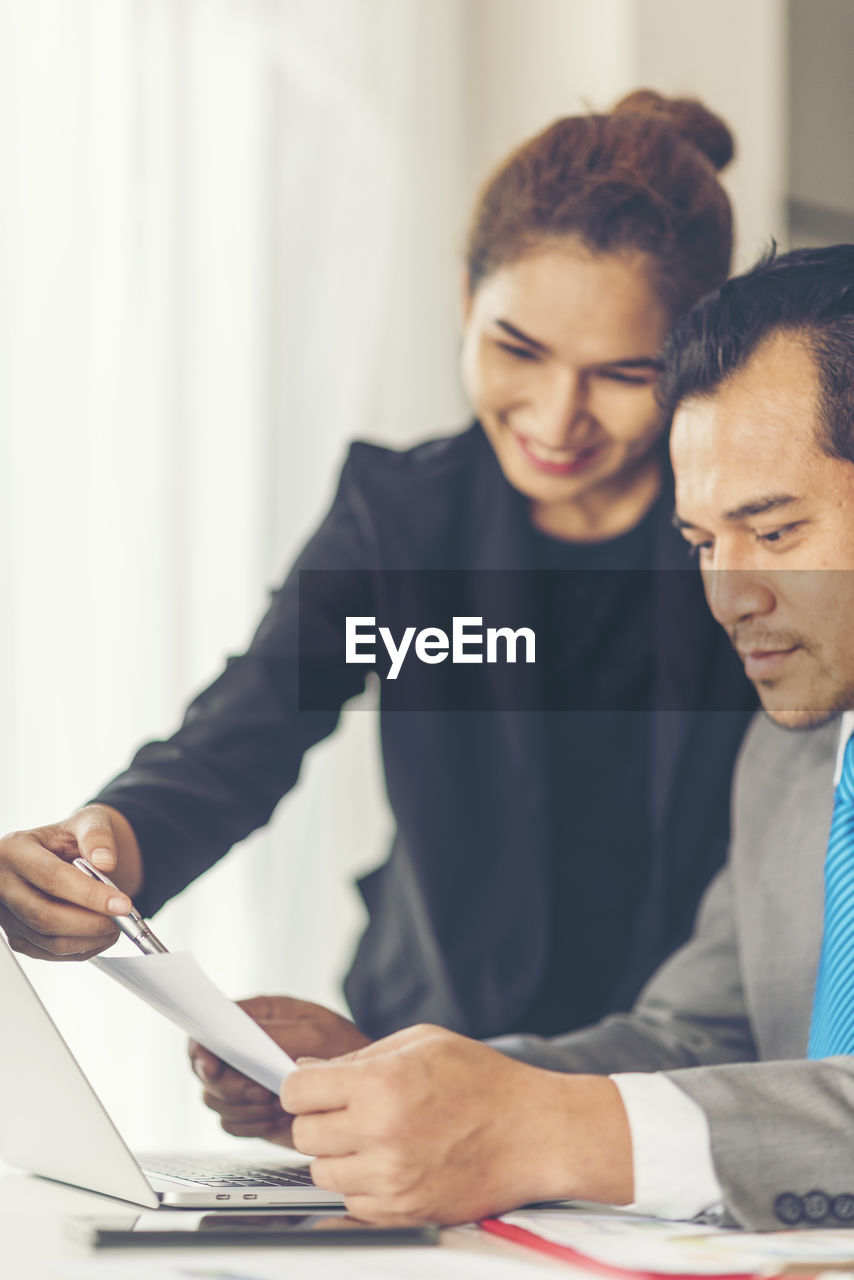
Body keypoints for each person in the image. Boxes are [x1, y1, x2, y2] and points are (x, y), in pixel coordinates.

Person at [0, 93, 751, 1053]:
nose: (557, 419)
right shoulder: (404, 519)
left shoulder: (745, 543)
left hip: (679, 1062)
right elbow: (244, 738)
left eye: (620, 373)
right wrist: (99, 852)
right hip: (431, 1046)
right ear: (466, 301)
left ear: (690, 360)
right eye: (517, 350)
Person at [267, 244, 854, 1233]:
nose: (726, 595)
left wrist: (549, 1127)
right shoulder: (790, 756)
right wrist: (410, 1083)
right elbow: (691, 1033)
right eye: (700, 543)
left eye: (775, 530)